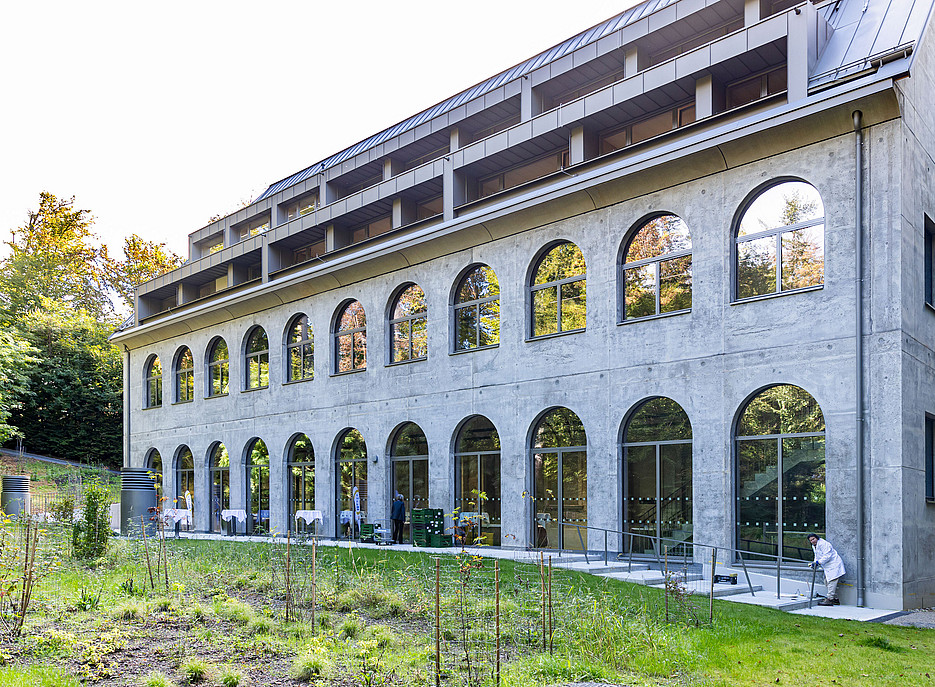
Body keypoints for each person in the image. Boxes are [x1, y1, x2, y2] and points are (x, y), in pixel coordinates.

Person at [807, 533, 845, 606]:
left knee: (831, 582)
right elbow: (817, 556)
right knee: (826, 582)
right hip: (828, 567)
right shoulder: (814, 546)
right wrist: (814, 563)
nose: (812, 541)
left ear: (817, 538)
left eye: (813, 539)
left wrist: (819, 562)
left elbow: (828, 555)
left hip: (834, 565)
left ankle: (830, 599)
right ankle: (835, 599)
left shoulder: (824, 544)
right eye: (811, 540)